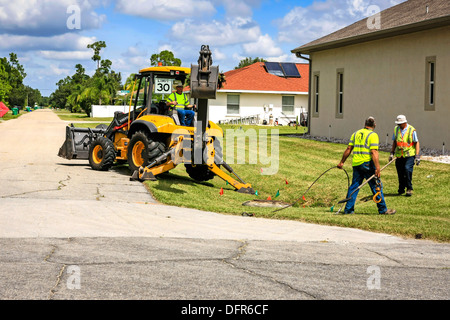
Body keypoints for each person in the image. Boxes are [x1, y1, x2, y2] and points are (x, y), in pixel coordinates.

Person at [337, 117, 396, 215]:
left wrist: (342, 162)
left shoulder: (355, 134)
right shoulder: (373, 135)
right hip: (367, 164)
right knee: (376, 186)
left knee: (354, 187)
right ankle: (383, 210)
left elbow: (348, 148)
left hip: (356, 164)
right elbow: (374, 152)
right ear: (374, 125)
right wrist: (377, 168)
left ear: (365, 124)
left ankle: (348, 210)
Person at [389, 115, 420, 197]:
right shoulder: (396, 129)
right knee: (400, 172)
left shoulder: (411, 130)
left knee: (407, 170)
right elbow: (395, 142)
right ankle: (401, 188)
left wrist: (417, 156)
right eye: (398, 124)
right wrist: (392, 153)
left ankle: (409, 189)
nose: (399, 125)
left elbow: (416, 143)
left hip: (409, 155)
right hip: (399, 155)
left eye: (400, 124)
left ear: (404, 122)